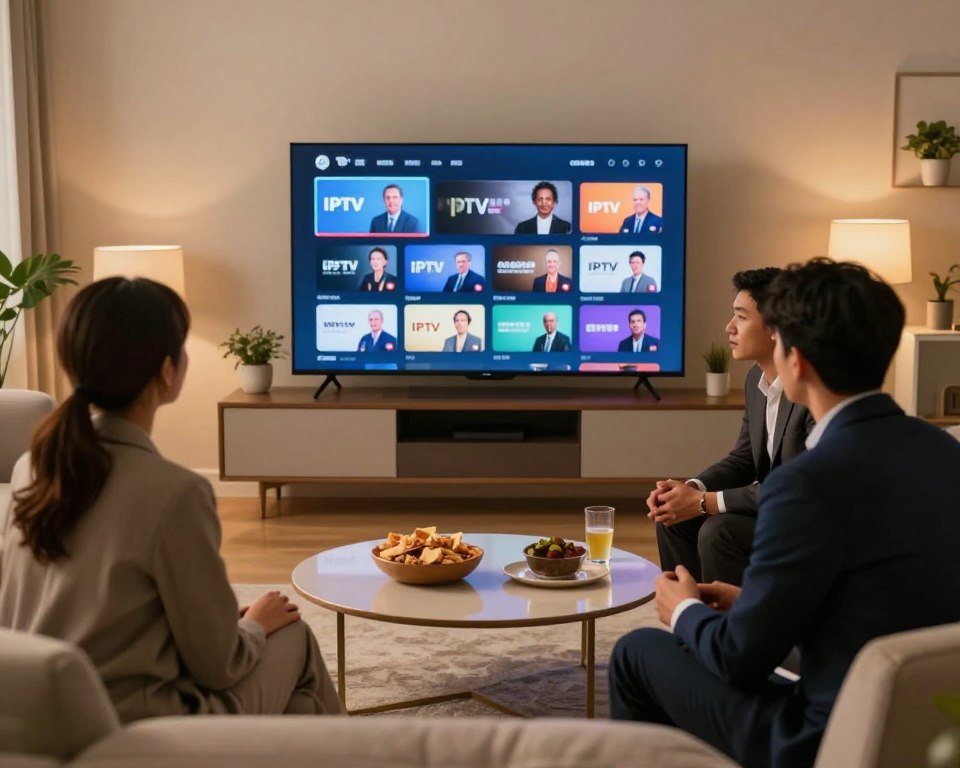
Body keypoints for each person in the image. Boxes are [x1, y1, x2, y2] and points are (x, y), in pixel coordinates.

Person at [609, 258, 960, 768]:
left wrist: (684, 610)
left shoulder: (807, 484)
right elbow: (877, 590)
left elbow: (739, 663)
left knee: (636, 652)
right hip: (928, 722)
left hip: (822, 735)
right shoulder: (944, 450)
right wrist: (750, 601)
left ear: (796, 360)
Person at [0, 278, 341, 722]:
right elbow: (219, 667)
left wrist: (225, 624)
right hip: (143, 721)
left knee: (295, 700)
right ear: (167, 370)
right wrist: (255, 624)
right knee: (293, 637)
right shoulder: (176, 492)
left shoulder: (30, 466)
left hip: (40, 708)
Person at [648, 268, 813, 585]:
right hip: (768, 507)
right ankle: (690, 619)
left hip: (801, 520)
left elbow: (798, 490)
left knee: (717, 531)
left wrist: (701, 503)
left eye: (741, 317)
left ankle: (729, 629)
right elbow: (745, 457)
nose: (729, 327)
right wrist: (690, 489)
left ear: (777, 328)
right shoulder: (756, 379)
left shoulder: (810, 390)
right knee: (671, 518)